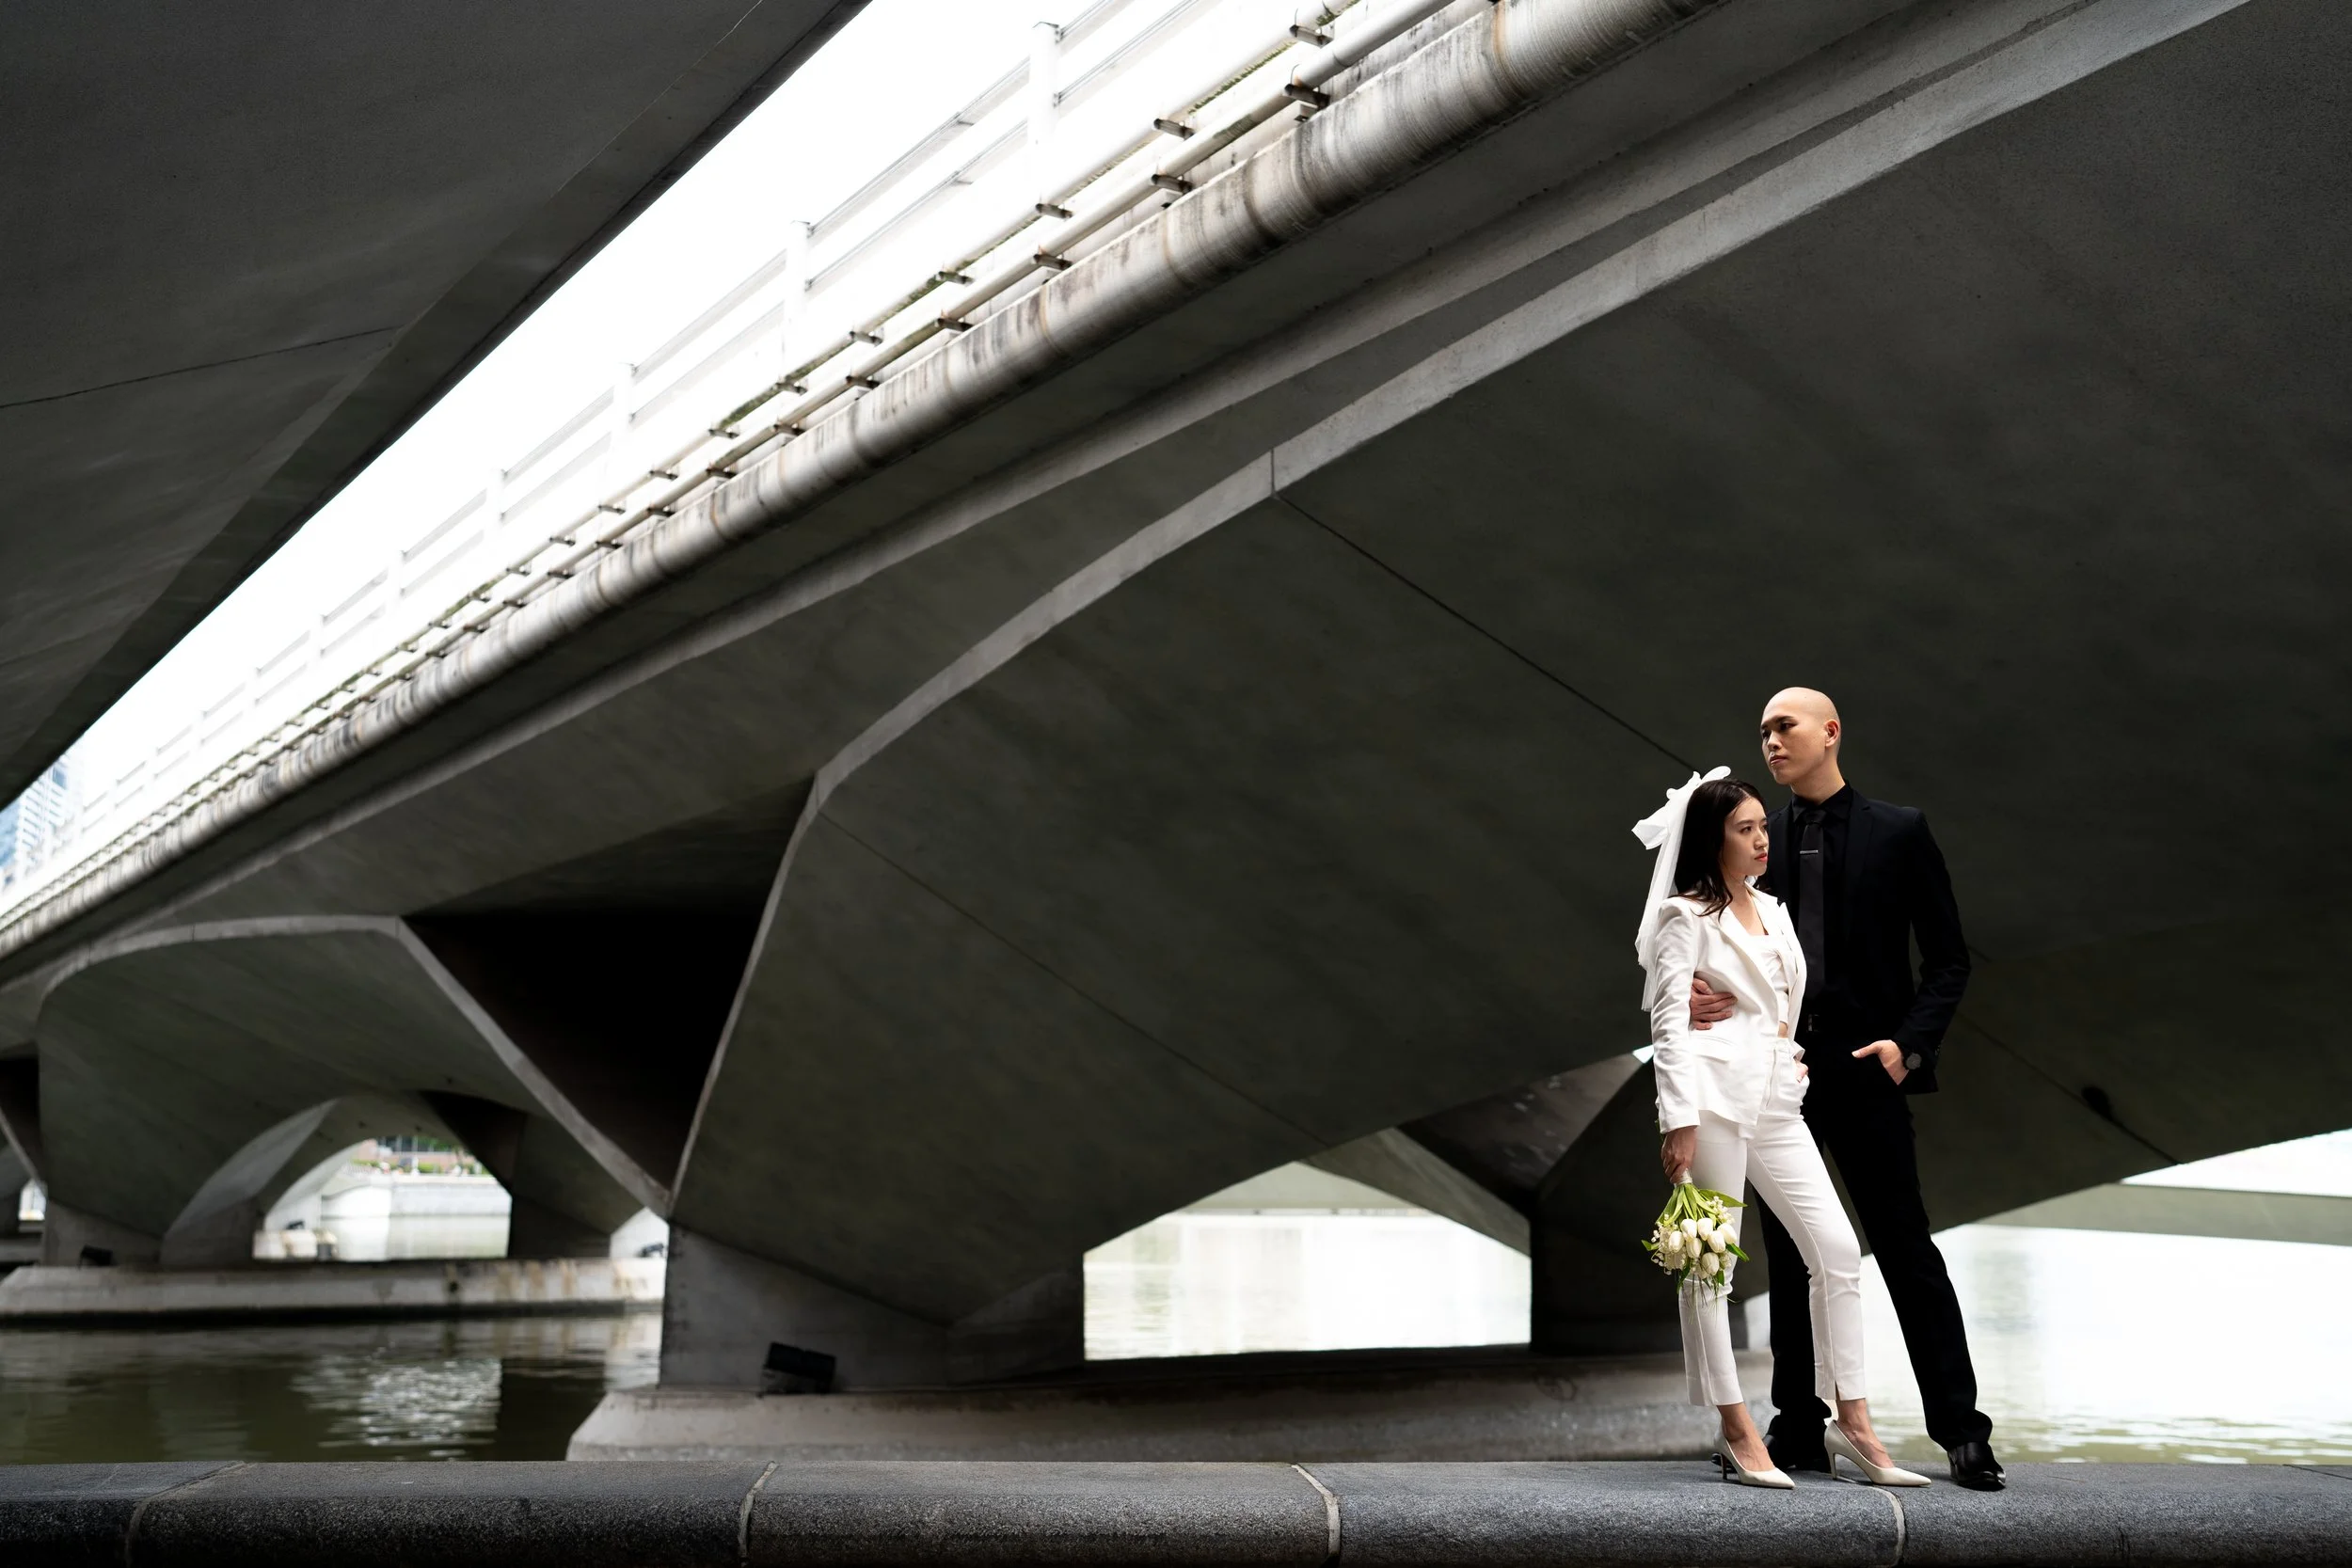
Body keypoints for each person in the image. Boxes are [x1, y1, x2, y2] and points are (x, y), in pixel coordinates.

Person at [1689, 689, 2003, 1491]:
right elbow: (1702, 926)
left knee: (1903, 1242)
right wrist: (1694, 987)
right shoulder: (1756, 836)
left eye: (1784, 727)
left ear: (1831, 732)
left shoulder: (1901, 831)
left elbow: (1949, 959)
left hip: (1867, 1067)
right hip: (1772, 1071)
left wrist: (1909, 1045)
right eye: (1761, 731)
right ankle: (1798, 1426)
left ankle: (1962, 1432)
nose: (1771, 742)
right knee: (1793, 1252)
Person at [1635, 769, 1929, 1490]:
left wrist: (1787, 1055)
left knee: (1836, 1249)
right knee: (1710, 1264)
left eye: (1763, 827)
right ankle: (1737, 1430)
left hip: (1776, 1099)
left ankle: (1852, 1423)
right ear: (1714, 838)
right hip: (1710, 1102)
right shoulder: (1685, 917)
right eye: (1745, 829)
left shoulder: (1777, 910)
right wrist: (1677, 1118)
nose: (1763, 839)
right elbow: (1669, 1021)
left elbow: (1782, 1004)